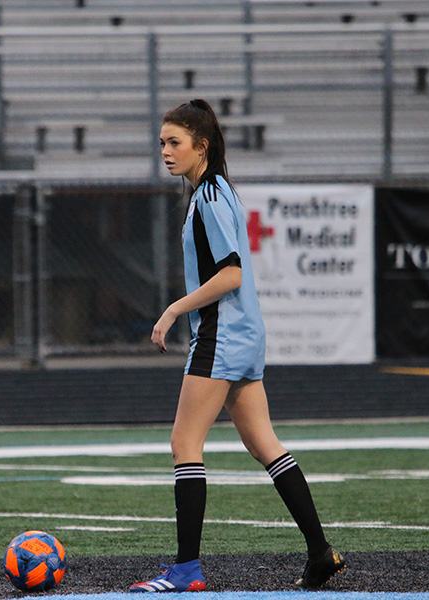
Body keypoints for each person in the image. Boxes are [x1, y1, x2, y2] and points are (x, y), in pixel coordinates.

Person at [129, 99, 346, 593]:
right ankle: (320, 551)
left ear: (200, 147)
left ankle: (186, 570)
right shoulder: (217, 190)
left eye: (174, 142)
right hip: (246, 337)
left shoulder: (208, 197)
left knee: (185, 444)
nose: (164, 151)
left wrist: (173, 309)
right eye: (162, 142)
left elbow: (230, 274)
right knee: (262, 443)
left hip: (222, 336)